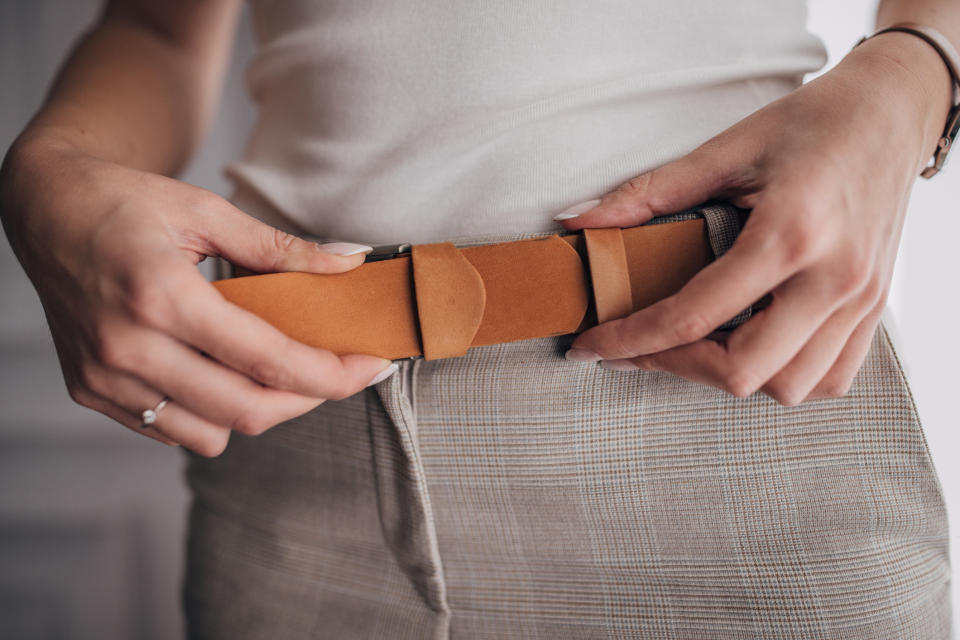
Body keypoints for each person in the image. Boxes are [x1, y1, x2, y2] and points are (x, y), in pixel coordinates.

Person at [1, 0, 956, 637]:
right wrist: (47, 170)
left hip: (727, 388)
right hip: (304, 431)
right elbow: (161, 27)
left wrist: (916, 75)